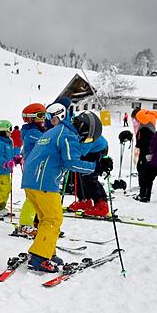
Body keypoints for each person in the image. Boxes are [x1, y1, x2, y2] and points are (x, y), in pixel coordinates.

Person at [21, 106, 104, 272]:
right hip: (44, 182)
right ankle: (39, 257)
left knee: (46, 219)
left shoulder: (57, 130)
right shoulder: (67, 135)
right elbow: (71, 162)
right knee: (53, 219)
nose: (84, 141)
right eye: (87, 139)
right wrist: (96, 167)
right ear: (84, 130)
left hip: (32, 181)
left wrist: (92, 161)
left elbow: (69, 153)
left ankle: (47, 252)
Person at [15, 103, 47, 235]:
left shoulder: (37, 131)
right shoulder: (33, 133)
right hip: (33, 169)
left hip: (39, 169)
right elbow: (49, 141)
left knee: (41, 197)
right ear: (31, 118)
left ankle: (36, 221)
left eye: (45, 115)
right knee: (33, 198)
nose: (43, 119)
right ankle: (24, 224)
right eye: (40, 115)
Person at [68, 131, 111, 217]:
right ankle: (84, 200)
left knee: (89, 176)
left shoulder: (77, 130)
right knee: (78, 173)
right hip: (87, 149)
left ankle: (102, 204)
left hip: (97, 149)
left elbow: (83, 149)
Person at [133, 109, 157, 202]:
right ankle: (146, 195)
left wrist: (138, 145)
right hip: (151, 153)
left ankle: (143, 195)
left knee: (142, 171)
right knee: (147, 174)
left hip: (145, 152)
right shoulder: (151, 124)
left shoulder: (144, 127)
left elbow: (142, 142)